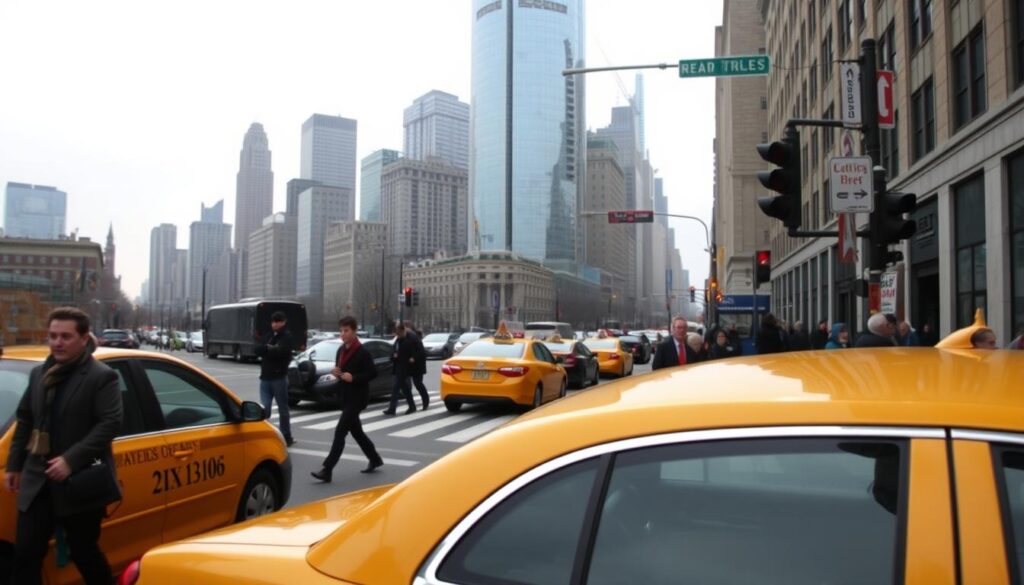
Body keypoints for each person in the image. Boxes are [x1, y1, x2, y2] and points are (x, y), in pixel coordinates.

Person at [4, 307, 122, 585]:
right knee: (26, 553)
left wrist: (71, 460)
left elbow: (111, 423)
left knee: (84, 552)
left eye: (66, 336)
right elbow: (25, 419)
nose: (57, 342)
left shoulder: (101, 376)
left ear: (83, 339)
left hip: (78, 481)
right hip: (37, 480)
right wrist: (14, 464)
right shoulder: (39, 374)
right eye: (53, 336)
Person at [312, 316, 383, 482]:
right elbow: (341, 370)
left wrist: (354, 378)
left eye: (346, 330)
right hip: (345, 396)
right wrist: (336, 372)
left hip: (357, 398)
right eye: (341, 330)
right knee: (357, 432)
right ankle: (375, 458)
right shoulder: (341, 350)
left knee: (340, 432)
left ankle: (327, 469)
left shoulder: (362, 351)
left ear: (354, 331)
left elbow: (372, 373)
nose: (343, 334)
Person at [254, 311, 295, 446]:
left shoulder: (287, 336)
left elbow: (280, 351)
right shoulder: (269, 335)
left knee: (283, 408)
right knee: (265, 408)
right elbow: (258, 349)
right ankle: (263, 434)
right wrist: (268, 348)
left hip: (279, 377)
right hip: (265, 377)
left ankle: (286, 436)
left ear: (283, 322)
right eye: (273, 322)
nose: (274, 324)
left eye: (277, 321)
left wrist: (267, 349)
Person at [383, 323, 417, 416]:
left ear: (402, 331)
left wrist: (398, 356)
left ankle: (392, 409)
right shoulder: (397, 341)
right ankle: (412, 406)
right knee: (405, 389)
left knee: (395, 389)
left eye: (398, 332)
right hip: (398, 368)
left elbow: (410, 356)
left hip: (404, 369)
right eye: (396, 332)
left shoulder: (407, 342)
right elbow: (393, 352)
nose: (397, 334)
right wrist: (393, 356)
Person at [405, 325, 430, 410]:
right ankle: (414, 404)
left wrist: (413, 358)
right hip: (411, 365)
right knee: (413, 384)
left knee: (418, 383)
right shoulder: (408, 337)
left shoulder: (413, 337)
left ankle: (425, 400)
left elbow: (421, 352)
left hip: (417, 365)